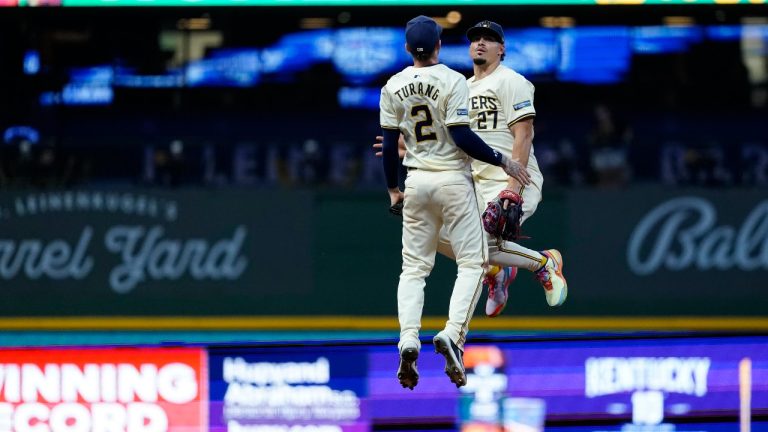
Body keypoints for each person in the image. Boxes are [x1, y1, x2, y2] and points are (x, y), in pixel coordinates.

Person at [376, 20, 568, 319]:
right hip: (473, 182)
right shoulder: (460, 86)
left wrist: (512, 189)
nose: (480, 42)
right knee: (434, 233)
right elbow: (450, 139)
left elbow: (524, 134)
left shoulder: (512, 80)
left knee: (478, 244)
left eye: (489, 39)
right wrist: (405, 148)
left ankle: (544, 263)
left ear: (501, 49)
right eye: (475, 38)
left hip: (512, 178)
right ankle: (497, 271)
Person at [380, 15, 531, 390]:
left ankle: (408, 338)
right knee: (473, 262)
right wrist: (502, 160)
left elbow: (387, 149)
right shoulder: (452, 80)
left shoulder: (393, 85)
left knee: (414, 270)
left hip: (414, 182)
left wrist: (393, 190)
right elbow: (462, 137)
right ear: (438, 46)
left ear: (405, 49)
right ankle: (453, 335)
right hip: (452, 182)